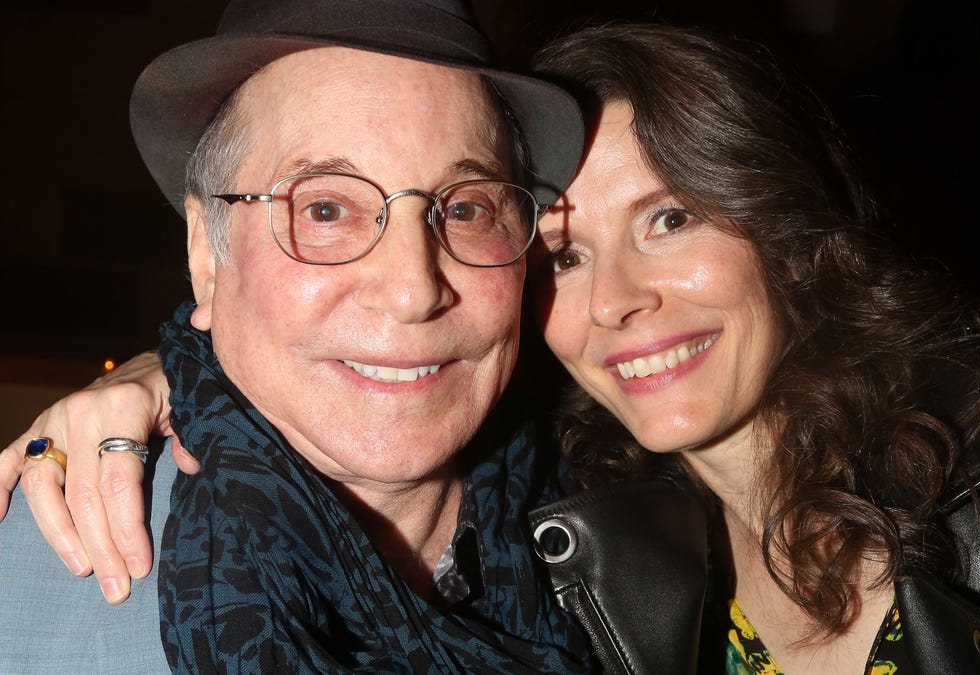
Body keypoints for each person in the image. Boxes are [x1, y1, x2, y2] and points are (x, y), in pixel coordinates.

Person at [7, 21, 980, 675]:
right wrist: (165, 378)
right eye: (565, 255)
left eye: (672, 217)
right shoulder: (612, 537)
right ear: (207, 259)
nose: (620, 300)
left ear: (778, 223)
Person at [0, 0, 595, 672]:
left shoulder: (626, 549)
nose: (412, 288)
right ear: (205, 255)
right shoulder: (23, 591)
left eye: (464, 207)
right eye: (325, 208)